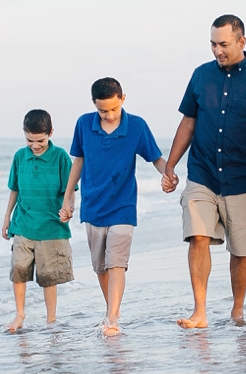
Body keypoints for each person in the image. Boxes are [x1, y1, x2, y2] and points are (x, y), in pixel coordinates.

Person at [161, 14, 246, 328]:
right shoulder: (201, 75)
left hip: (243, 178)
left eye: (224, 44)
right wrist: (170, 166)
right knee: (198, 237)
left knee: (240, 250)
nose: (218, 50)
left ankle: (237, 310)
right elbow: (188, 122)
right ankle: (200, 312)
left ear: (242, 42)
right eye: (213, 44)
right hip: (202, 173)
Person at [59, 76, 169, 335]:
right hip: (93, 206)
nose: (108, 115)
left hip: (123, 205)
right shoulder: (84, 124)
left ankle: (111, 319)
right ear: (93, 105)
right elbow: (78, 161)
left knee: (116, 262)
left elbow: (156, 158)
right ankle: (113, 310)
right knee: (100, 267)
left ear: (123, 99)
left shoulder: (137, 126)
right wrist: (68, 197)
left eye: (113, 109)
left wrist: (168, 174)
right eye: (102, 110)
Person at [1, 108, 74, 333]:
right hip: (23, 222)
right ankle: (20, 314)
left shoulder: (61, 156)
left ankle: (51, 319)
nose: (35, 145)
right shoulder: (20, 156)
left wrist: (68, 208)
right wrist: (6, 219)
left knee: (48, 275)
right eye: (29, 140)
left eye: (40, 140)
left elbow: (70, 190)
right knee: (19, 269)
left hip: (51, 226)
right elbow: (14, 189)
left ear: (51, 133)